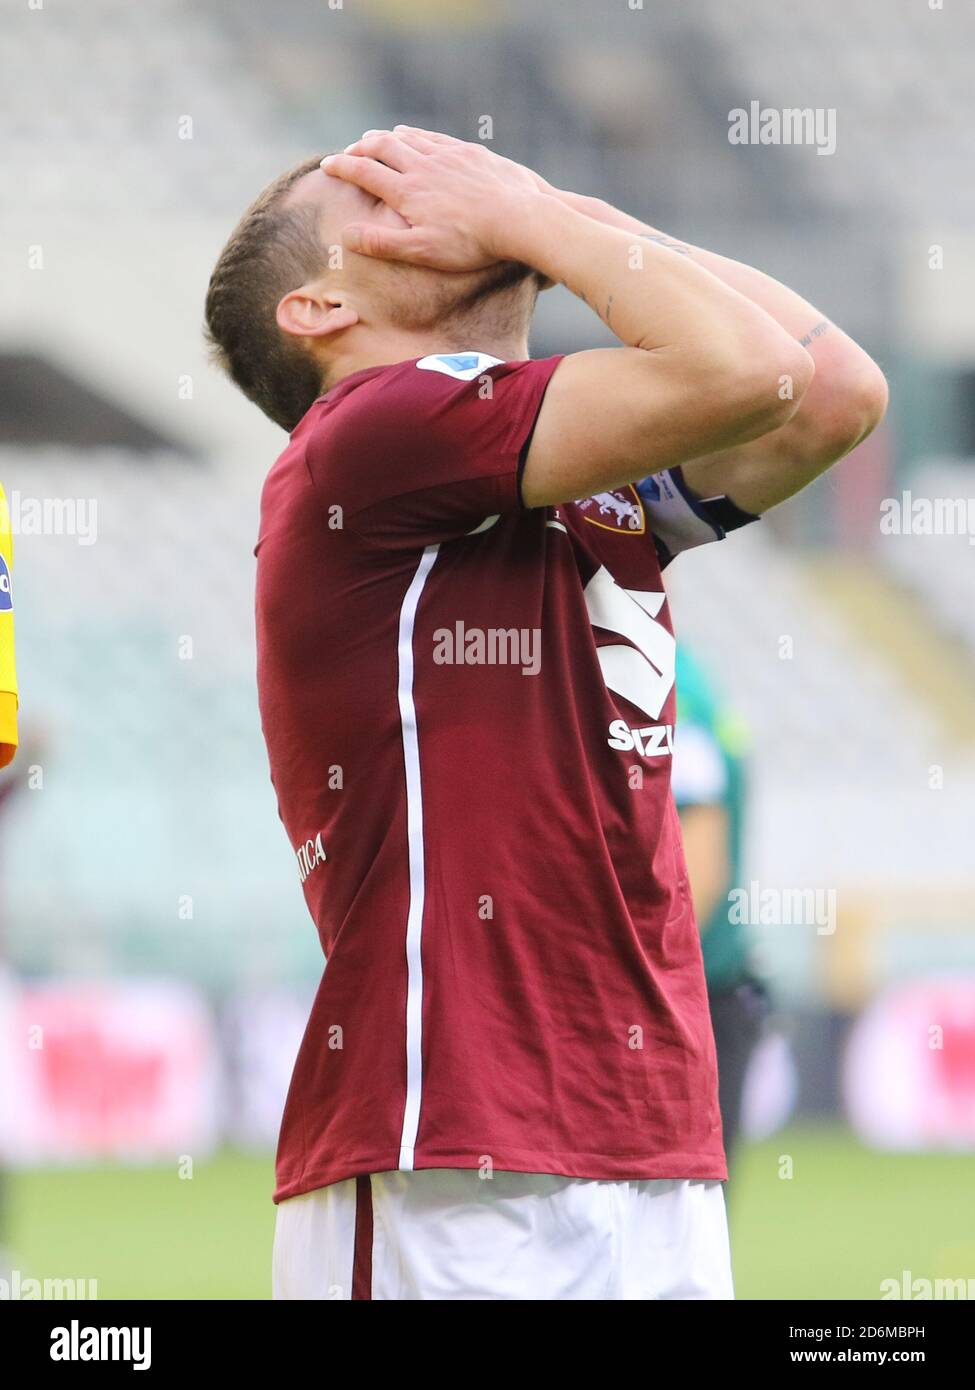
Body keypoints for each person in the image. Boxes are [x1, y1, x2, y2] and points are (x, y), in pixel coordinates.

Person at [204, 127, 887, 1300]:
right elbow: (741, 370)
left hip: (651, 1138)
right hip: (447, 1140)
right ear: (317, 309)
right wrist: (534, 222)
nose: (434, 192)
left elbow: (828, 391)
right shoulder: (365, 435)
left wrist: (536, 204)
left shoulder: (574, 478)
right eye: (379, 195)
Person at [672, 645, 765, 1176]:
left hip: (690, 998)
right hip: (714, 988)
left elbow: (700, 869)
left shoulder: (669, 691)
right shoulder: (687, 677)